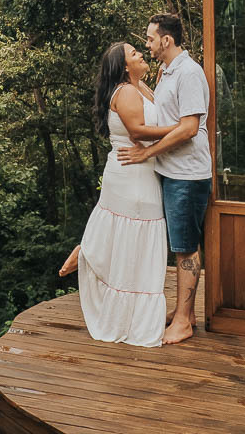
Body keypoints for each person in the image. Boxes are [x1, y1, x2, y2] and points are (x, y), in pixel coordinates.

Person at [59, 41, 177, 347]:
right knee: (133, 238)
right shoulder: (125, 91)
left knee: (135, 240)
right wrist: (181, 128)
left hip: (142, 172)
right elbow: (137, 130)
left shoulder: (143, 88)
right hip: (130, 176)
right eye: (135, 53)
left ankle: (88, 253)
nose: (141, 54)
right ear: (125, 66)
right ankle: (90, 257)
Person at [118, 13, 212, 345]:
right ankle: (185, 311)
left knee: (186, 249)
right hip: (172, 172)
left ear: (166, 40)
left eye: (150, 38)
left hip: (187, 175)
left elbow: (188, 129)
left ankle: (184, 321)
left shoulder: (188, 73)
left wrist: (147, 152)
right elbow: (164, 112)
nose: (147, 44)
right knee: (180, 247)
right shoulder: (169, 72)